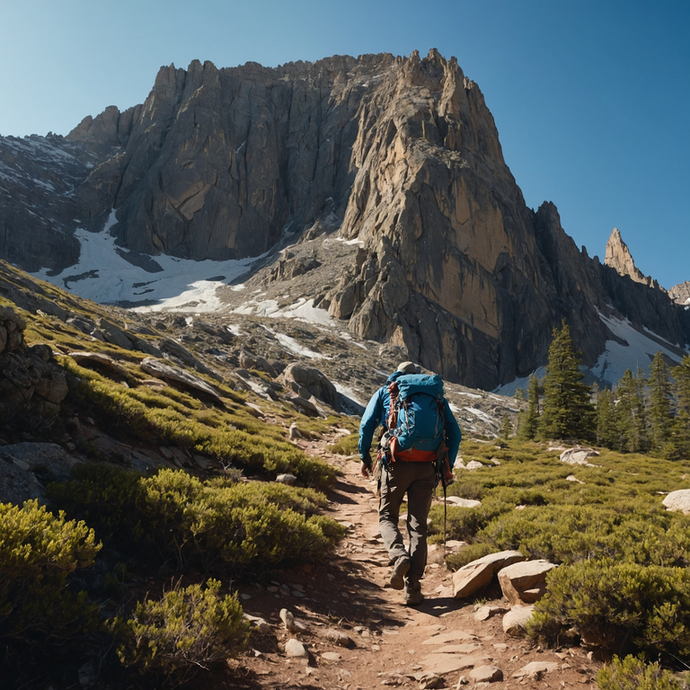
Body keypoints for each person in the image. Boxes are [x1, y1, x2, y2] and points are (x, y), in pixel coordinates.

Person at [359, 361, 462, 605]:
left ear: (398, 373)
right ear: (418, 377)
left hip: (396, 463)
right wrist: (447, 468)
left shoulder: (388, 391)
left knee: (387, 517)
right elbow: (455, 434)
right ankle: (413, 589)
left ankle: (398, 556)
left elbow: (366, 425)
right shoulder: (435, 396)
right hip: (427, 467)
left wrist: (364, 457)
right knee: (418, 528)